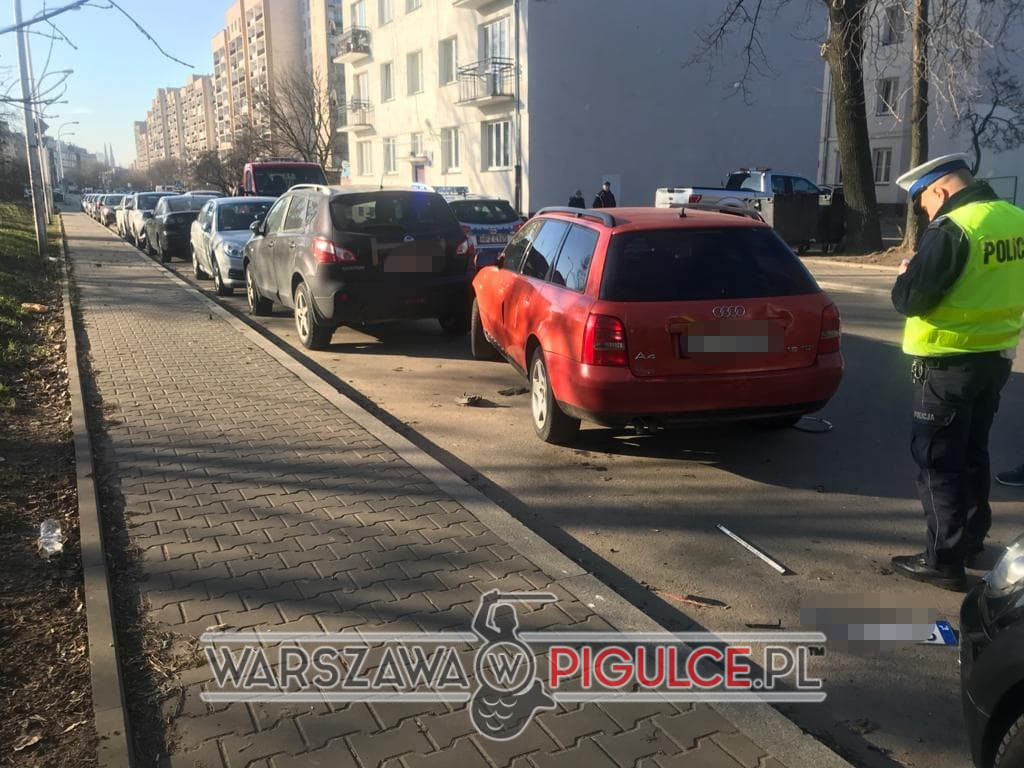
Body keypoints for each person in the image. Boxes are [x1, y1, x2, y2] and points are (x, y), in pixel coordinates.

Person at [889, 153, 1024, 591]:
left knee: (938, 461)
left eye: (924, 202)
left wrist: (907, 273)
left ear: (941, 190)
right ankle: (970, 539)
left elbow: (910, 299)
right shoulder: (1015, 219)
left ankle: (943, 560)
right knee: (973, 451)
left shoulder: (954, 227)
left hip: (947, 362)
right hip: (996, 356)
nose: (926, 212)